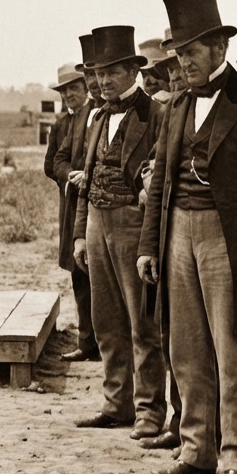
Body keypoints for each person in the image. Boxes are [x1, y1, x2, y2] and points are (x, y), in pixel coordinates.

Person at [139, 0, 237, 474]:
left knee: (234, 352)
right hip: (178, 232)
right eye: (178, 54)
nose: (183, 62)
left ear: (219, 48)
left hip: (229, 238)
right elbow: (161, 184)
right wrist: (148, 245)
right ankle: (198, 449)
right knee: (186, 348)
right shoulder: (174, 107)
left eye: (192, 51)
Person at [71, 25, 169, 439]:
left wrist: (149, 239)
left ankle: (149, 411)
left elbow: (159, 184)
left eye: (113, 72)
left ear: (133, 70)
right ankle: (117, 404)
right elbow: (86, 179)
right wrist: (80, 234)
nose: (104, 80)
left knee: (143, 323)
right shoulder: (96, 117)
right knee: (106, 320)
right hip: (96, 222)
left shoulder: (157, 114)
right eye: (99, 73)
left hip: (133, 223)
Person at [42, 60, 98, 359]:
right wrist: (69, 176)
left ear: (86, 87)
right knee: (79, 274)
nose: (69, 96)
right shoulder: (61, 124)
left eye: (74, 89)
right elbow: (51, 164)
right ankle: (88, 343)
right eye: (64, 92)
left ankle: (108, 343)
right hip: (71, 206)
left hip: (97, 206)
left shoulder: (96, 116)